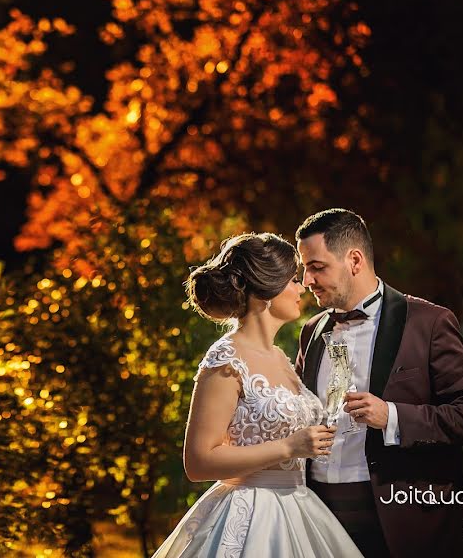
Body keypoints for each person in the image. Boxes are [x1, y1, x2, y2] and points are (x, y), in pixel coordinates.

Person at [294, 208, 463, 557]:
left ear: (354, 260)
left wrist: (393, 416)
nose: (306, 280)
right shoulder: (312, 332)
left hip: (403, 521)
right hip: (319, 520)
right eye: (305, 268)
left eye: (316, 267)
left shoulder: (428, 323)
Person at [152, 232, 362, 557]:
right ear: (266, 290)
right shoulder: (226, 359)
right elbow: (198, 461)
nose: (302, 286)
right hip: (250, 515)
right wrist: (289, 446)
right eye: (292, 279)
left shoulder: (281, 357)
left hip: (300, 508)